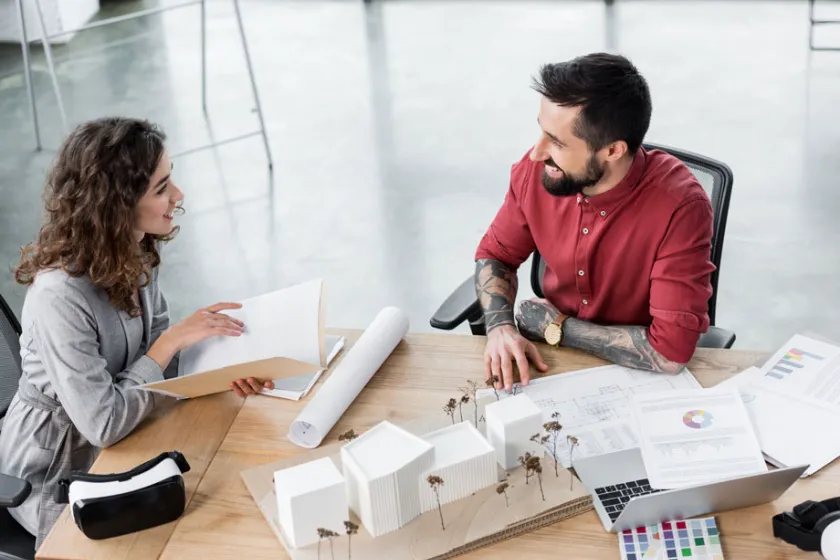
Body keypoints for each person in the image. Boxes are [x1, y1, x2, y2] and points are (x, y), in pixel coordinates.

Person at [0, 117, 275, 547]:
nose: (178, 196)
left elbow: (155, 356)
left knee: (239, 483)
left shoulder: (134, 248)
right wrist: (171, 344)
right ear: (117, 203)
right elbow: (104, 423)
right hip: (56, 471)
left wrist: (223, 367)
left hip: (130, 429)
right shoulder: (58, 296)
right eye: (161, 188)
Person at [476, 53, 715, 392]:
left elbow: (670, 352)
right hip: (547, 364)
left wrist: (556, 327)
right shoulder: (535, 172)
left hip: (642, 379)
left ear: (613, 151)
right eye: (542, 132)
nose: (537, 152)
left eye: (557, 142)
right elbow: (495, 255)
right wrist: (500, 327)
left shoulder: (681, 207)